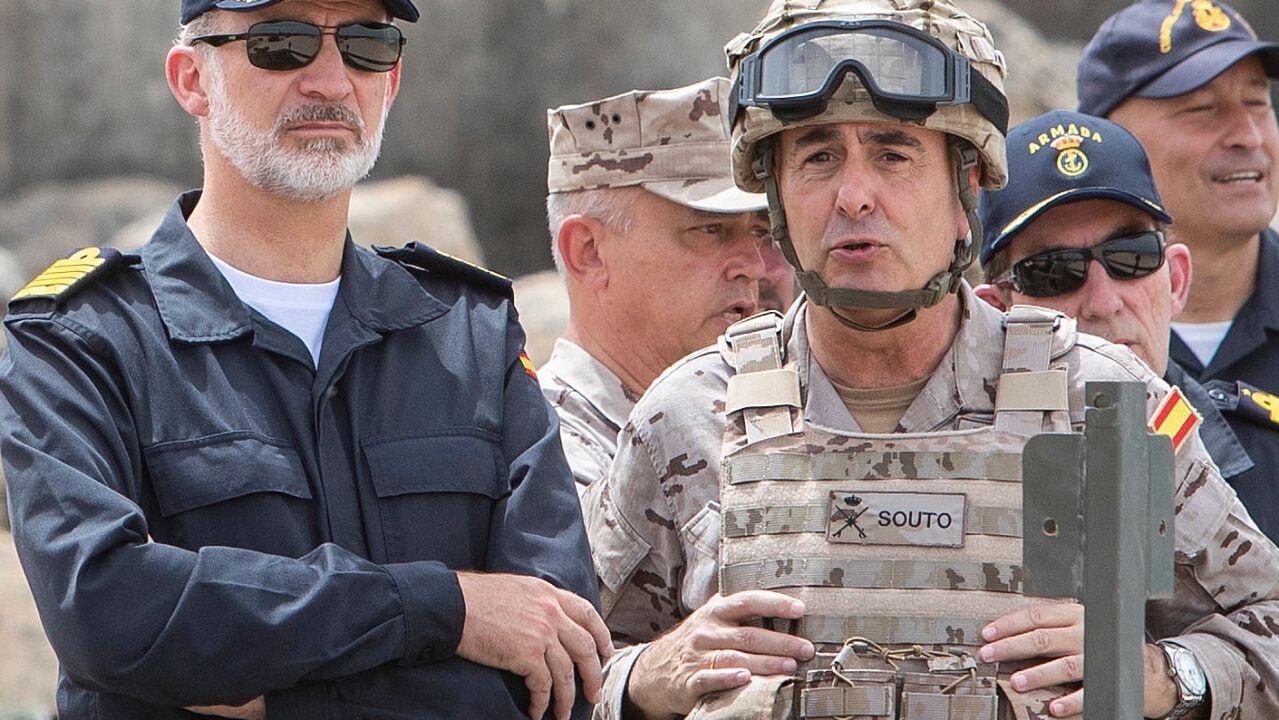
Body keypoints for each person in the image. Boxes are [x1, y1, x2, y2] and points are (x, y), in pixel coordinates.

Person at [582, 1, 1279, 719]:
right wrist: (639, 676)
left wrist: (1163, 675)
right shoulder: (688, 415)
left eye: (894, 154)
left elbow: (1267, 627)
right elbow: (560, 667)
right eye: (818, 157)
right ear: (777, 196)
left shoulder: (1102, 404)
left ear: (964, 189)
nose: (855, 196)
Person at [0, 0, 610, 718]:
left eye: (365, 44)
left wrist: (265, 697)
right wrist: (445, 607)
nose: (330, 79)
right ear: (192, 79)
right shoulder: (80, 341)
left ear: (392, 80)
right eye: (280, 43)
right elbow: (109, 616)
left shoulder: (470, 332)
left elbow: (558, 660)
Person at [976, 108, 1261, 503]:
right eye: (1053, 271)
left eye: (1132, 256)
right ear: (996, 316)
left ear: (1177, 281)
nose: (1104, 303)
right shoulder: (955, 468)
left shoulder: (1266, 455)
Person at [1078, 0, 1279, 538]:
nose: (1247, 136)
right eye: (1202, 109)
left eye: (1258, 102)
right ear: (1107, 136)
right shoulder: (1055, 328)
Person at [541, 78, 794, 492]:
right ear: (588, 252)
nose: (753, 265)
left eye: (759, 231)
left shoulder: (748, 421)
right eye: (710, 229)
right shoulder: (542, 456)